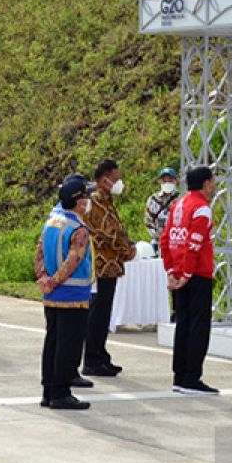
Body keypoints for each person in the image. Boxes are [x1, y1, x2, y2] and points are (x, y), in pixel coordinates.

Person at [33, 176, 95, 410]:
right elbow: (73, 260)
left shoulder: (52, 221)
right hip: (72, 294)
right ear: (78, 201)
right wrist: (56, 281)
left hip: (51, 294)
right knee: (67, 346)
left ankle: (48, 390)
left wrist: (43, 279)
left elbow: (39, 252)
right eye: (86, 197)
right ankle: (60, 392)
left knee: (52, 341)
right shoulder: (78, 229)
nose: (88, 201)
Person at [162, 166, 220, 395]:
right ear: (206, 183)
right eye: (213, 181)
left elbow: (166, 239)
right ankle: (192, 378)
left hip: (179, 274)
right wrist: (186, 274)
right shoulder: (202, 209)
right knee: (198, 326)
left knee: (183, 324)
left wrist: (171, 271)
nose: (214, 185)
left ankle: (180, 376)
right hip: (196, 275)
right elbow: (194, 245)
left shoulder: (178, 204)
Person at [81, 159, 137, 377]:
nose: (117, 182)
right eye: (114, 178)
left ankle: (100, 354)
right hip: (102, 264)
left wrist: (128, 244)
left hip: (111, 265)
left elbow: (116, 227)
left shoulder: (106, 199)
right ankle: (92, 359)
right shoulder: (95, 201)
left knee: (104, 314)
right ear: (103, 179)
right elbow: (107, 232)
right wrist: (126, 248)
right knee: (98, 314)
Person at [144, 167, 180, 255]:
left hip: (176, 243)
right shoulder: (153, 199)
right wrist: (157, 236)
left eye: (170, 180)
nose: (167, 183)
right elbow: (148, 221)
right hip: (157, 243)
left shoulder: (181, 199)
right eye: (164, 180)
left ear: (175, 181)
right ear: (160, 182)